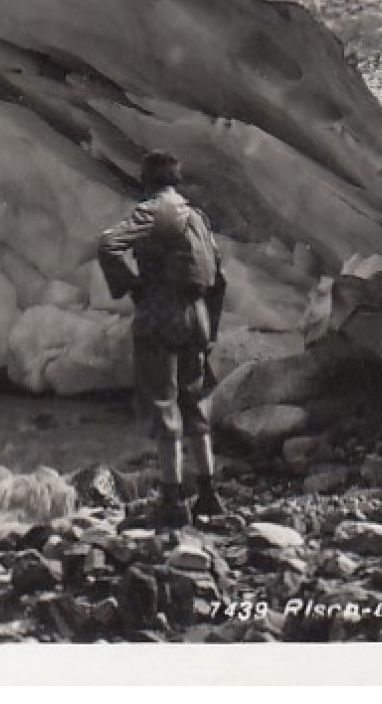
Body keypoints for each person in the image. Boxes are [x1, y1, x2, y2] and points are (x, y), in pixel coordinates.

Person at [95, 150, 226, 529]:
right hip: (198, 314)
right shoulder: (198, 218)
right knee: (196, 402)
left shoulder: (153, 210)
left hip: (162, 312)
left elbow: (109, 244)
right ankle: (208, 493)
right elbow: (218, 275)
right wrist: (210, 330)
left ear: (148, 181)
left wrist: (131, 285)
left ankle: (172, 500)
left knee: (164, 402)